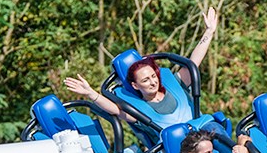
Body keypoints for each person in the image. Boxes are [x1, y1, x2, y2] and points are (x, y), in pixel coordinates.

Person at [63, 9, 219, 123]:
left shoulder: (174, 84)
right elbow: (116, 110)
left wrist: (209, 32)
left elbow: (194, 62)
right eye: (145, 80)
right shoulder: (139, 110)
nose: (152, 82)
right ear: (135, 85)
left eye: (153, 76)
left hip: (205, 134)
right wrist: (90, 93)